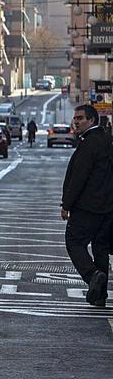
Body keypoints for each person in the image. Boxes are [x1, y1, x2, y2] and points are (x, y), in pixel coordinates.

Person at [61, 104, 113, 308]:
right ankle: (100, 296)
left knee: (74, 242)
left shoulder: (89, 143)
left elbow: (79, 177)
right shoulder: (108, 140)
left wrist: (66, 204)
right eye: (75, 118)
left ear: (91, 120)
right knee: (101, 247)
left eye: (80, 118)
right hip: (108, 207)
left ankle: (92, 276)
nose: (76, 121)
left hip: (87, 206)